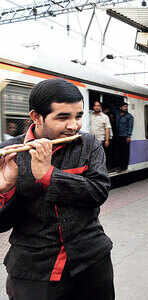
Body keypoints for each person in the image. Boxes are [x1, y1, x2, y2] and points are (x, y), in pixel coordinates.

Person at [0, 78, 114, 300]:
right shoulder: (9, 152)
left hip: (91, 261)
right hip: (33, 270)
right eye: (63, 117)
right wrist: (5, 189)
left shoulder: (88, 144)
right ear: (36, 117)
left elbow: (99, 191)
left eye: (78, 116)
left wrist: (49, 176)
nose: (73, 126)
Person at [115, 102, 133, 170]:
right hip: (118, 136)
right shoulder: (117, 115)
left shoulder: (129, 116)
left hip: (125, 137)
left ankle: (124, 167)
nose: (126, 108)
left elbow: (130, 127)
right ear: (120, 107)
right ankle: (119, 166)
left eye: (126, 106)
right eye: (124, 106)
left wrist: (128, 136)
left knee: (125, 153)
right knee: (119, 152)